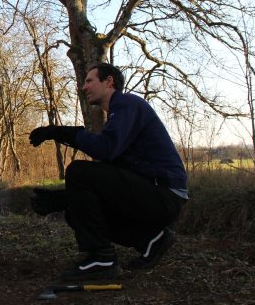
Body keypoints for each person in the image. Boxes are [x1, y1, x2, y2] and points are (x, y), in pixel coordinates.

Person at [29, 63, 188, 282]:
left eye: (89, 81)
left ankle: (102, 259)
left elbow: (106, 149)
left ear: (109, 81)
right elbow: (116, 174)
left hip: (164, 194)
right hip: (153, 193)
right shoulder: (119, 114)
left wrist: (59, 131)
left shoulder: (127, 104)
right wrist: (65, 199)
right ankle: (152, 240)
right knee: (75, 213)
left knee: (78, 171)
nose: (84, 87)